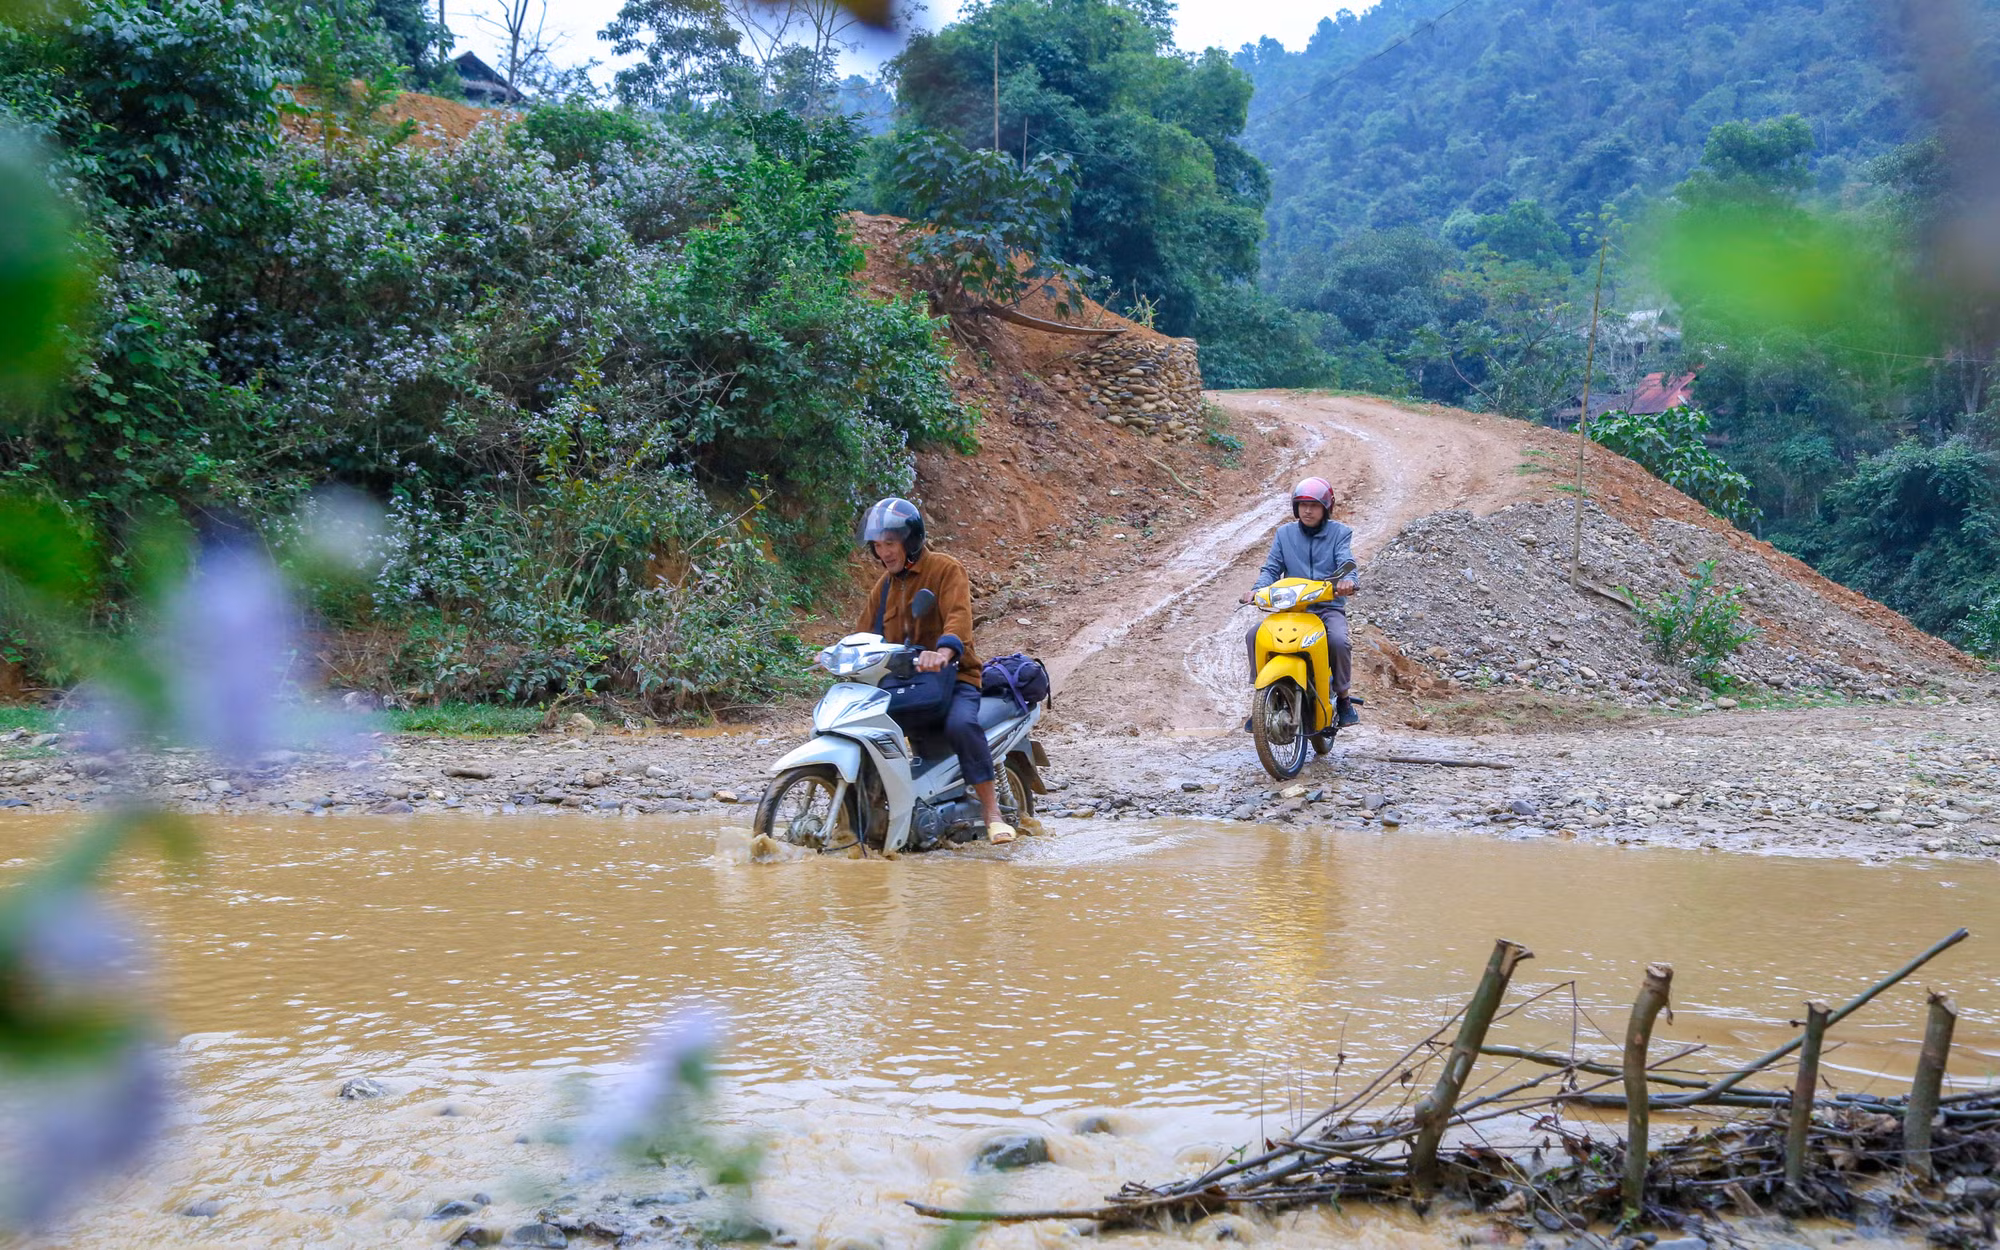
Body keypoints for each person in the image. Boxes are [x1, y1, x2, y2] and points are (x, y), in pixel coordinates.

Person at [855, 497, 1017, 844]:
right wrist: (837, 654)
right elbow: (863, 635)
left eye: (890, 543)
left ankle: (992, 813)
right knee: (866, 729)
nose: (884, 552)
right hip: (907, 683)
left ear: (910, 541)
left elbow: (959, 617)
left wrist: (943, 651)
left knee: (961, 724)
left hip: (956, 677)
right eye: (878, 545)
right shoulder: (883, 587)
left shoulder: (946, 570)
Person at [1240, 477, 1361, 729]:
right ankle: (1262, 697)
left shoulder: (1340, 533)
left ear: (1326, 508)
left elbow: (1345, 562)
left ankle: (1343, 699)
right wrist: (1257, 590)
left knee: (1338, 640)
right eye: (1303, 505)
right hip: (1291, 610)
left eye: (1314, 505)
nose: (1308, 510)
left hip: (1326, 608)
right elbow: (1271, 568)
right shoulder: (1285, 534)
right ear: (1296, 508)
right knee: (1255, 635)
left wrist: (1347, 581)